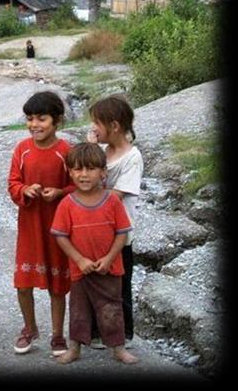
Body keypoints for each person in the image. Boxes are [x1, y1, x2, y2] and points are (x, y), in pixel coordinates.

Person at [51, 142, 139, 365]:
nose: (84, 175)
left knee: (112, 309)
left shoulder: (112, 201)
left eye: (90, 169)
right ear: (70, 172)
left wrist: (109, 258)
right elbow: (61, 236)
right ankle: (74, 348)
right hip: (81, 270)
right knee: (79, 311)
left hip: (110, 268)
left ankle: (118, 348)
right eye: (78, 169)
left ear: (103, 172)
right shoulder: (66, 204)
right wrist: (79, 260)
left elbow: (122, 233)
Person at [7, 91, 74, 357]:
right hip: (29, 227)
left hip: (58, 229)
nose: (34, 124)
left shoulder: (66, 152)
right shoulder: (22, 149)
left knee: (58, 285)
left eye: (41, 119)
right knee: (23, 283)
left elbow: (78, 185)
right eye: (30, 119)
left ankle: (58, 335)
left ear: (56, 120)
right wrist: (25, 190)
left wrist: (59, 193)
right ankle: (30, 327)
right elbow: (12, 183)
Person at [86, 94, 144, 350]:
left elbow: (116, 195)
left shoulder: (132, 157)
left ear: (115, 126)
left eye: (97, 123)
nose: (93, 129)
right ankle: (97, 331)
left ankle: (124, 333)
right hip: (96, 231)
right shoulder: (103, 152)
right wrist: (93, 151)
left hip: (120, 234)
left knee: (120, 285)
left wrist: (90, 192)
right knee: (96, 281)